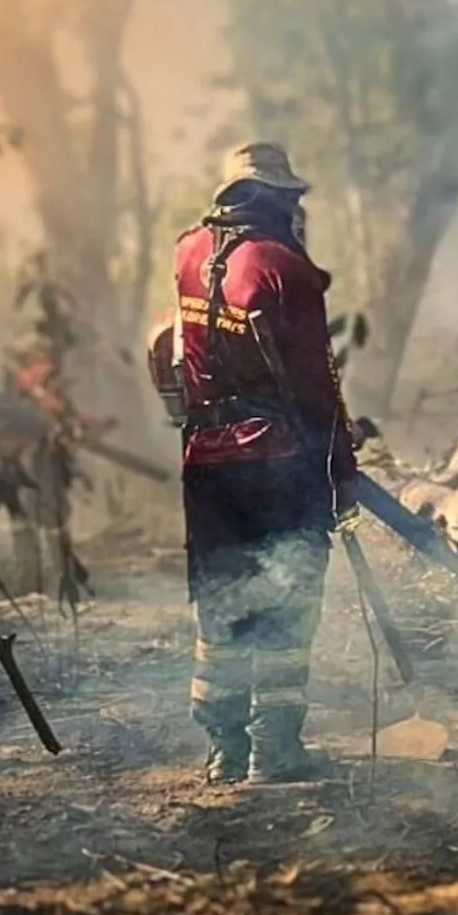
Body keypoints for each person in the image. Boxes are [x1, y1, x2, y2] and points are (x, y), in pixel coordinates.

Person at [147, 142, 358, 785]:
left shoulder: (188, 252)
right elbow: (316, 386)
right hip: (277, 464)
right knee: (288, 604)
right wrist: (339, 470)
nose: (298, 210)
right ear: (275, 201)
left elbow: (164, 350)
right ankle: (275, 751)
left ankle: (224, 752)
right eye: (292, 199)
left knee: (221, 603)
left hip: (205, 465)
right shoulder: (285, 269)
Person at [0, 331, 104, 594]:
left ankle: (43, 586)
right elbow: (30, 422)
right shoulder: (6, 389)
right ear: (32, 362)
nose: (44, 374)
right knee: (39, 518)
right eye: (42, 367)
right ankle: (43, 587)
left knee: (34, 519)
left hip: (23, 459)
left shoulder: (15, 390)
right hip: (26, 460)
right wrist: (50, 419)